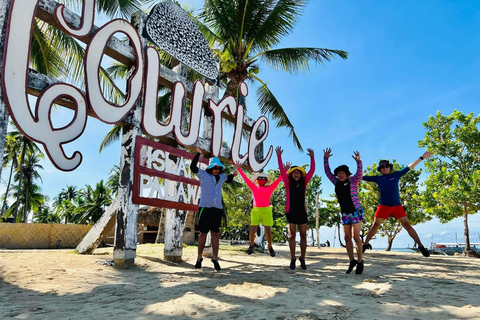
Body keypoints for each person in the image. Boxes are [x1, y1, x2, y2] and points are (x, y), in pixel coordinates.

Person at [362, 151, 433, 257]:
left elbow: (410, 166)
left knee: (407, 225)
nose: (385, 168)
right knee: (375, 225)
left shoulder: (396, 175)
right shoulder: (378, 178)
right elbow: (359, 177)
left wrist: (422, 158)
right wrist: (346, 176)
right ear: (380, 170)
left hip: (396, 206)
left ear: (390, 168)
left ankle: (421, 246)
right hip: (383, 206)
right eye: (382, 167)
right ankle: (365, 245)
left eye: (386, 166)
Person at [190, 147, 237, 271]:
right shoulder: (203, 174)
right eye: (215, 168)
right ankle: (199, 258)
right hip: (205, 208)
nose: (217, 170)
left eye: (219, 168)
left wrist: (233, 174)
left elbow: (229, 179)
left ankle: (215, 258)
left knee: (215, 234)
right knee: (203, 234)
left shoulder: (221, 177)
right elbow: (193, 167)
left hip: (217, 209)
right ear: (211, 168)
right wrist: (198, 154)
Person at [324, 148, 365, 274]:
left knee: (355, 237)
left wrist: (359, 162)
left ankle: (360, 261)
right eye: (339, 173)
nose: (341, 175)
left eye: (343, 173)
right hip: (345, 213)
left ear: (347, 174)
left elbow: (359, 173)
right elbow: (327, 173)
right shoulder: (336, 182)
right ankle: (351, 260)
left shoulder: (353, 181)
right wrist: (326, 159)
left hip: (355, 211)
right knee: (347, 237)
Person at [235, 163, 288, 257]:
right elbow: (246, 180)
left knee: (268, 231)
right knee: (252, 231)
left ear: (266, 181)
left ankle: (270, 247)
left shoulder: (270, 188)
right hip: (256, 211)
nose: (261, 180)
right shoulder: (254, 187)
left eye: (263, 178)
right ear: (256, 180)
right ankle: (251, 245)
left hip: (266, 210)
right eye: (259, 178)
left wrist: (284, 170)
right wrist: (239, 169)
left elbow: (279, 179)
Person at [276, 146, 315, 270]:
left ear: (300, 174)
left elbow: (312, 171)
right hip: (291, 211)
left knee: (303, 235)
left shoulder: (304, 181)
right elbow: (282, 172)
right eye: (294, 172)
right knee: (291, 235)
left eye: (298, 172)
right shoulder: (287, 183)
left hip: (302, 212)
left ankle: (302, 258)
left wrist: (312, 158)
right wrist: (279, 156)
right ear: (291, 175)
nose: (296, 174)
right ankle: (292, 258)